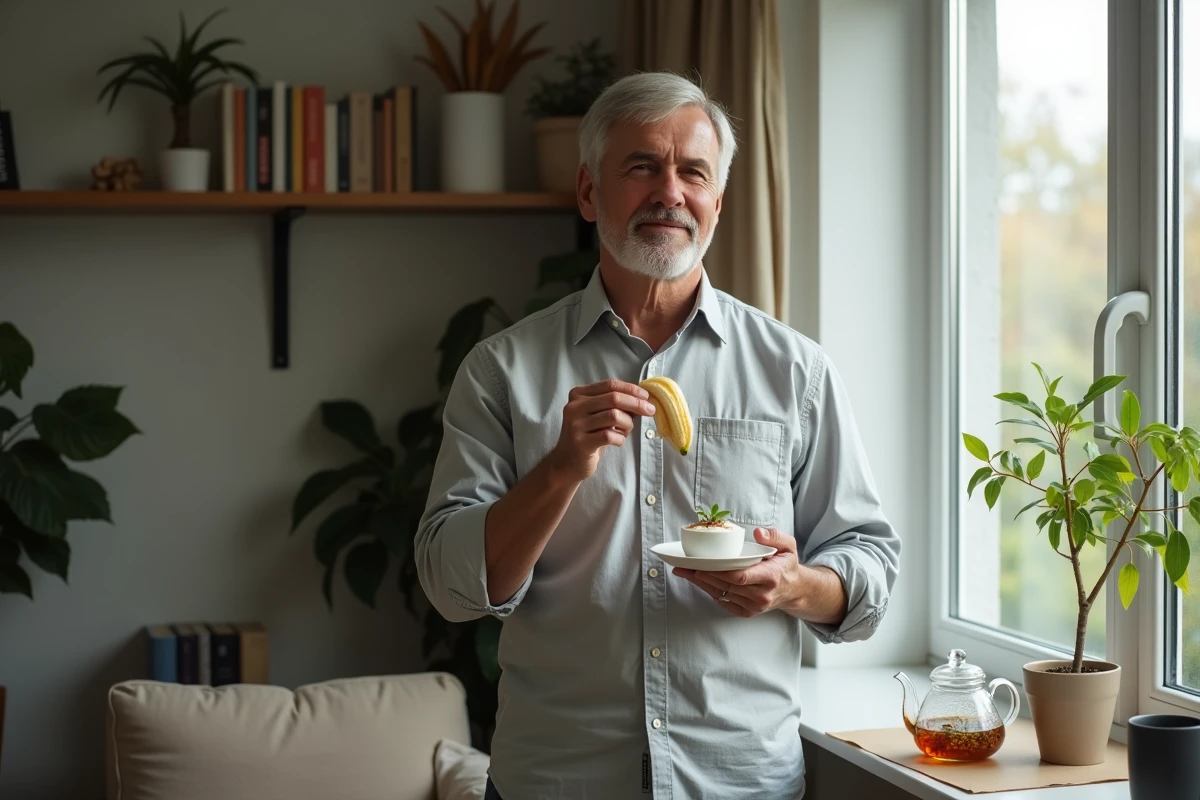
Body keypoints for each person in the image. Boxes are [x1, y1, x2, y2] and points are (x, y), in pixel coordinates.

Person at [415, 71, 901, 800]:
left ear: (717, 203)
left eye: (693, 172)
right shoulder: (502, 371)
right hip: (557, 781)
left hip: (741, 784)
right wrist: (560, 469)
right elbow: (452, 585)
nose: (669, 192)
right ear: (588, 193)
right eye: (641, 166)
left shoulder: (794, 370)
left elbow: (870, 570)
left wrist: (794, 585)